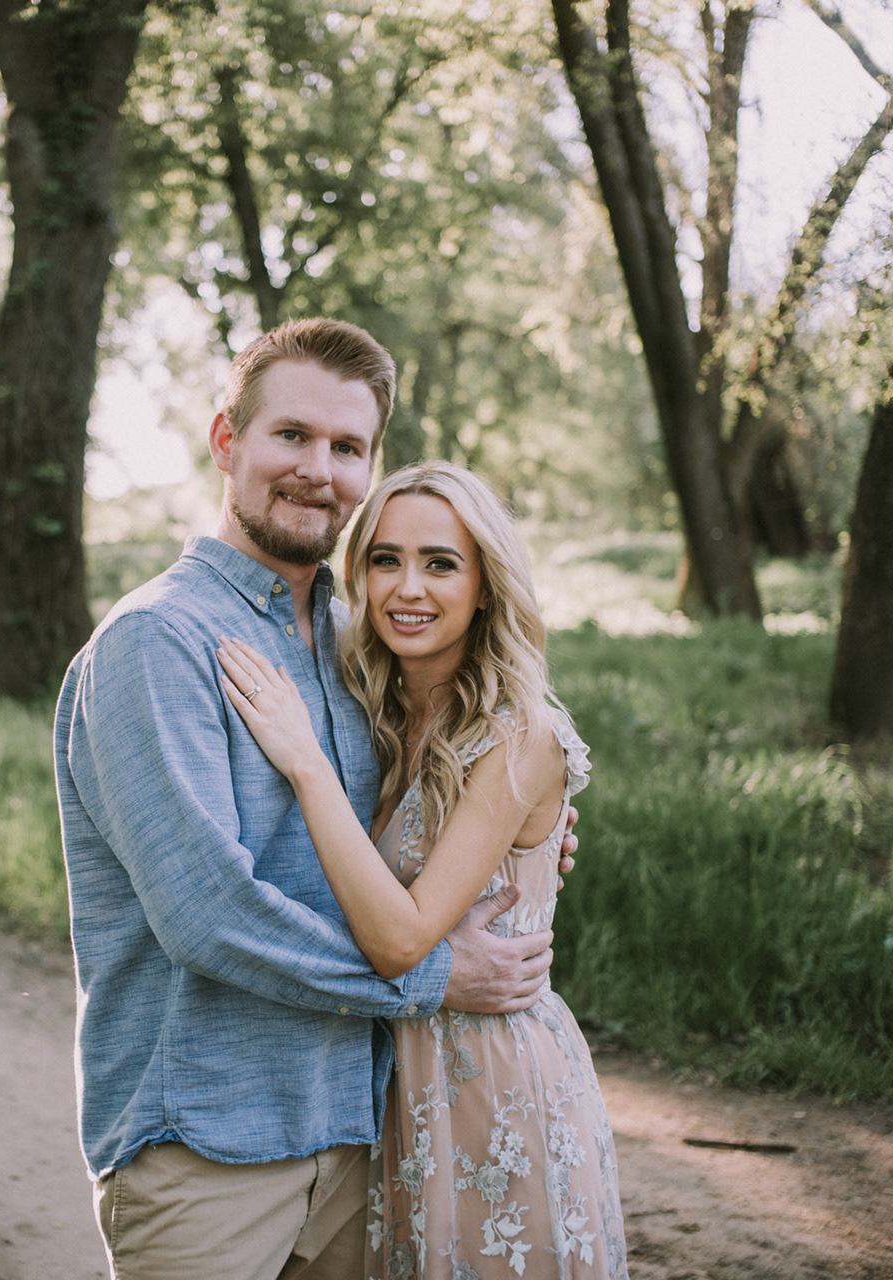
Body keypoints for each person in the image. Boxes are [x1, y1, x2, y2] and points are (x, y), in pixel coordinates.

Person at [54, 320, 577, 1280]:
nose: (318, 470)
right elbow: (209, 914)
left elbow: (435, 799)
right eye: (291, 435)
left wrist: (525, 843)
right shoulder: (159, 642)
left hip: (362, 1129)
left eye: (346, 447)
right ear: (227, 440)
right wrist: (430, 980)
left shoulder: (356, 641)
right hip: (210, 1140)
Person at [216, 460, 628, 1280]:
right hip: (387, 1080)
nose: (408, 588)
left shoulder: (519, 734)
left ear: (486, 587)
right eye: (385, 560)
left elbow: (401, 940)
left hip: (492, 1082)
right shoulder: (370, 709)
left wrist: (304, 762)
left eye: (441, 563)